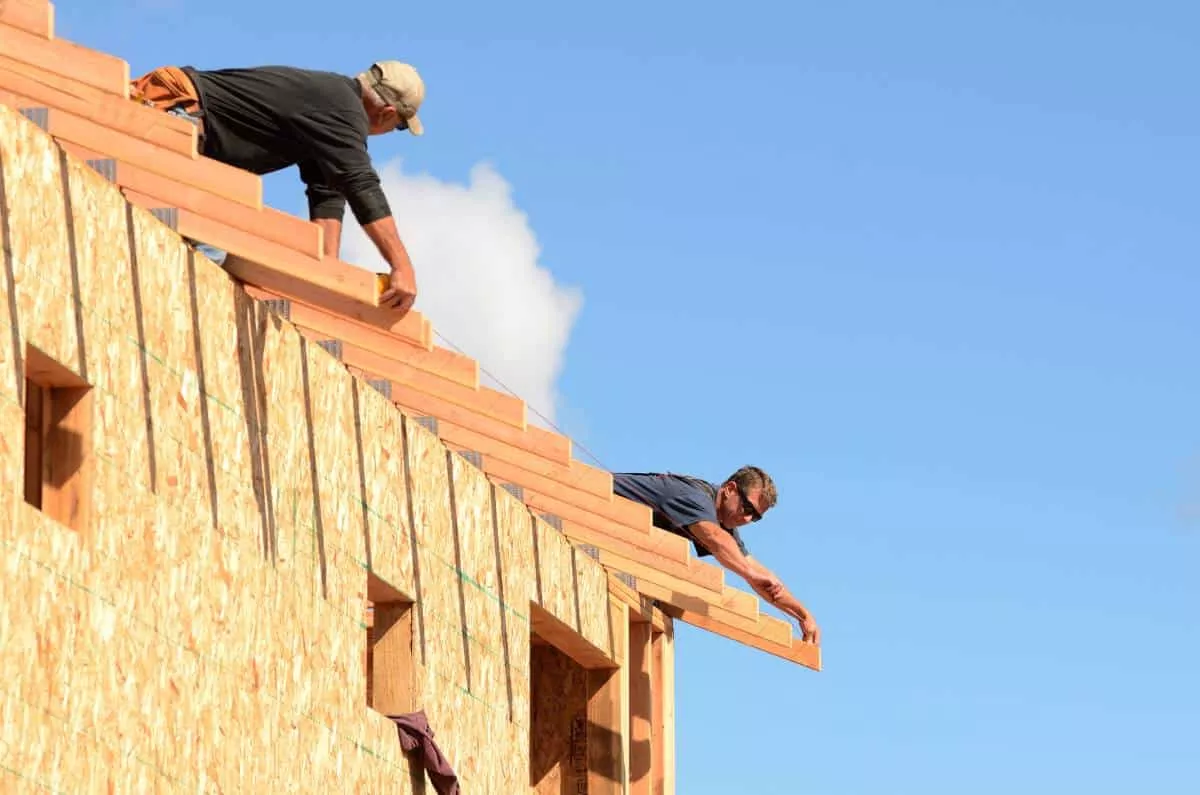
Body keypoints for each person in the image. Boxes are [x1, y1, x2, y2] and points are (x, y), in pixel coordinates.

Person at [128, 60, 425, 313]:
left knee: (210, 244)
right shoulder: (344, 112)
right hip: (176, 116)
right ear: (386, 113)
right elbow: (361, 184)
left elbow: (328, 199)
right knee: (210, 252)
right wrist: (402, 266)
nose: (389, 132)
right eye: (398, 126)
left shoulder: (330, 116)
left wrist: (327, 278)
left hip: (190, 129)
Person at [612, 467, 820, 644]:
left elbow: (758, 573)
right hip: (587, 509)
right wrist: (749, 573)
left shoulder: (723, 525)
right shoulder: (695, 498)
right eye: (747, 508)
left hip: (617, 550)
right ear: (730, 489)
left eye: (755, 517)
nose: (747, 519)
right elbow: (714, 538)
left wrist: (802, 614)